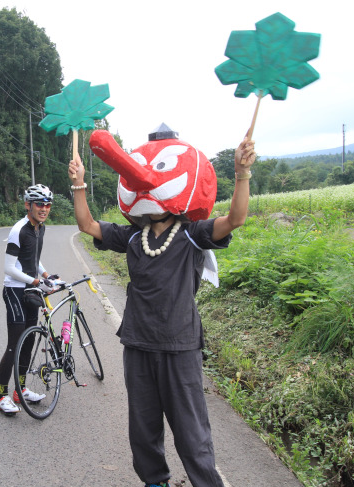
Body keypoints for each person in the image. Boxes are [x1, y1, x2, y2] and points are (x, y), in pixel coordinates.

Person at [69, 129, 256, 487]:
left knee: (191, 431)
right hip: (138, 343)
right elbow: (87, 225)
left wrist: (242, 173)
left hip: (180, 345)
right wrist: (79, 185)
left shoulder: (192, 233)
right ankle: (155, 481)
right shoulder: (133, 237)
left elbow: (234, 220)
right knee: (142, 425)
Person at [0, 183, 60, 415]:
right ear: (28, 205)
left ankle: (20, 390)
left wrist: (45, 276)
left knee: (29, 342)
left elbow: (32, 260)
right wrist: (35, 282)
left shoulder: (40, 228)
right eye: (39, 204)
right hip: (15, 290)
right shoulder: (19, 230)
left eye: (47, 204)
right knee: (15, 345)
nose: (44, 208)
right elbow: (9, 268)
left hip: (31, 290)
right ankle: (2, 396)